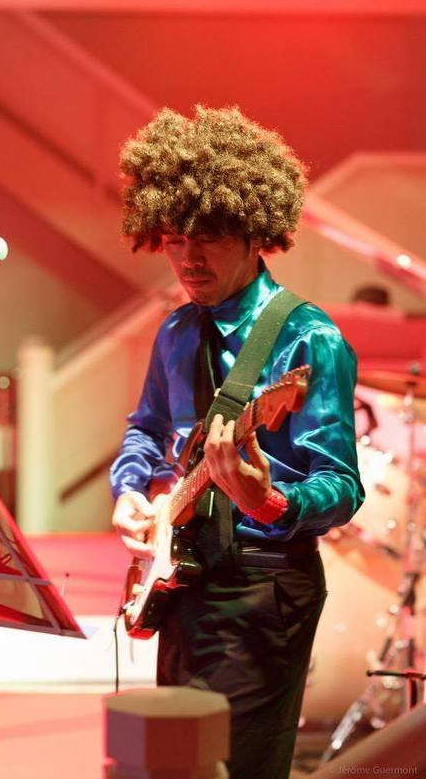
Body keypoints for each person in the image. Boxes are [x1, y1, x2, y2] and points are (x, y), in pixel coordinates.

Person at [110, 106, 364, 779]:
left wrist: (269, 501)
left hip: (263, 585)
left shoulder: (309, 338)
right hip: (184, 575)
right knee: (174, 763)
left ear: (255, 233)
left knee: (231, 767)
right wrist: (130, 490)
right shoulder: (174, 332)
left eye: (210, 239)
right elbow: (147, 429)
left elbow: (342, 486)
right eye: (173, 239)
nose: (187, 259)